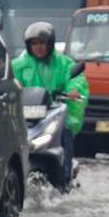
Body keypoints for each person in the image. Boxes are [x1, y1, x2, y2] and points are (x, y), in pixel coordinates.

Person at [11, 21, 89, 184]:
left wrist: (73, 90)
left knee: (65, 131)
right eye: (34, 43)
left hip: (53, 111)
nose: (38, 47)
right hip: (24, 115)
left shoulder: (63, 63)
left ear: (50, 44)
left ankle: (65, 176)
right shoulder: (19, 64)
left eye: (42, 43)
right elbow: (10, 81)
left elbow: (76, 79)